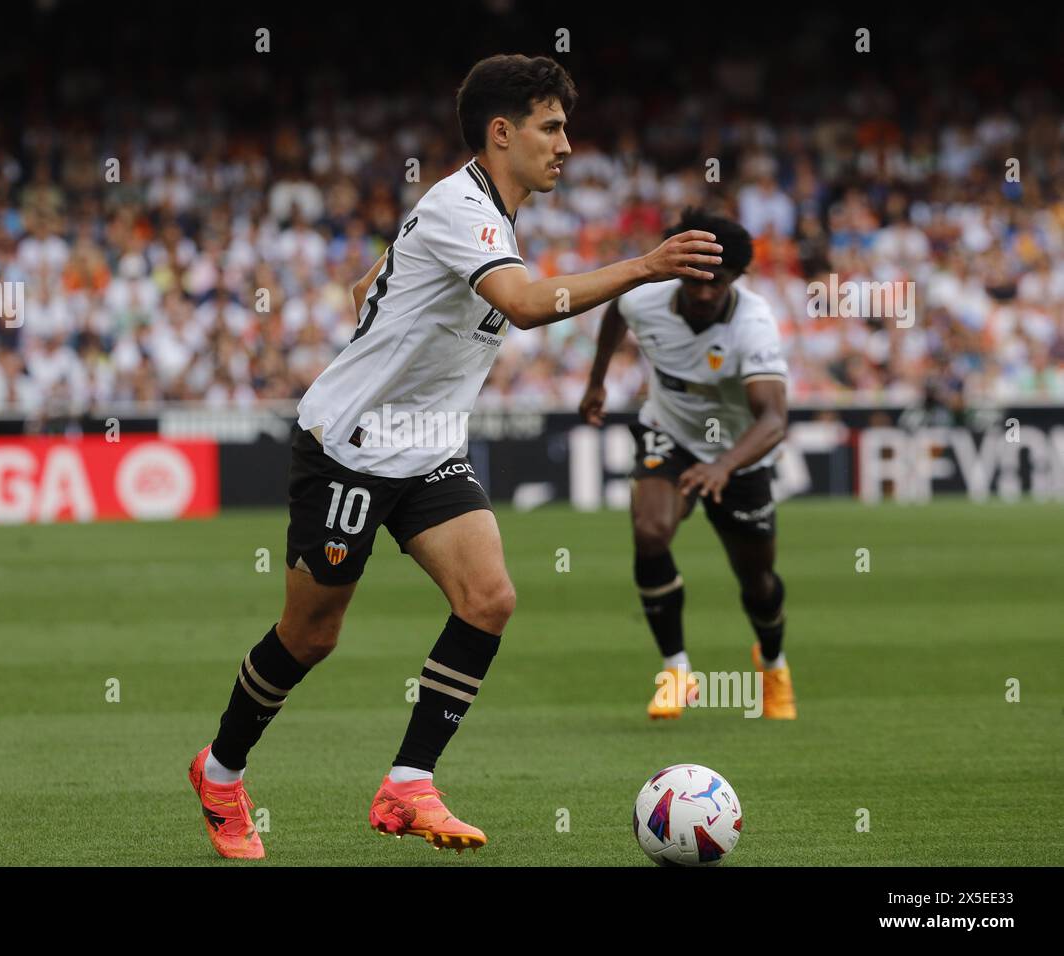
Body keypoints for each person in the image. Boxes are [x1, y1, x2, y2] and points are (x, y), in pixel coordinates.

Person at [190, 55, 724, 859]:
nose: (567, 145)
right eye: (552, 126)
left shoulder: (475, 213)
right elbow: (524, 303)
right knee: (311, 634)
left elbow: (372, 280)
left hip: (430, 448)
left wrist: (385, 290)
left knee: (489, 598)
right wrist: (646, 264)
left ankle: (409, 784)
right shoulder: (458, 206)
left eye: (566, 127)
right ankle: (221, 772)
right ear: (501, 132)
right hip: (350, 449)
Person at [579, 209, 797, 721]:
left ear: (737, 280)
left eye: (715, 284)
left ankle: (773, 665)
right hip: (669, 434)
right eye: (694, 279)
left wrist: (723, 466)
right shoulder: (644, 296)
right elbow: (616, 316)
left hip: (740, 454)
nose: (702, 293)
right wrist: (597, 381)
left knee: (758, 580)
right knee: (650, 532)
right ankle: (677, 672)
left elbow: (773, 420)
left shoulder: (754, 325)